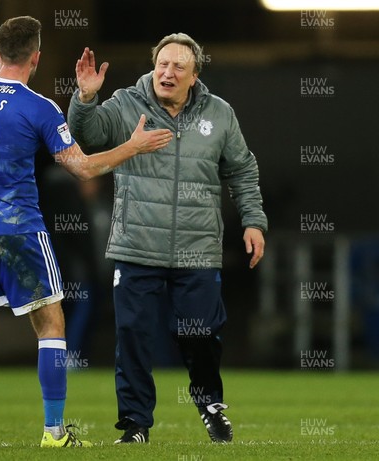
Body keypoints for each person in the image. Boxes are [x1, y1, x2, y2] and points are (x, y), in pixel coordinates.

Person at [0, 16, 173, 449]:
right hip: (19, 233)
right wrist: (134, 146)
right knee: (51, 325)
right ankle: (53, 433)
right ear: (36, 57)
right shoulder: (39, 108)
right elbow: (83, 167)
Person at [68, 33, 268, 444]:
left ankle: (210, 405)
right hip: (137, 246)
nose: (168, 72)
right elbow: (86, 136)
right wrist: (85, 99)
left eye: (179, 66)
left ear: (195, 76)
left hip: (197, 251)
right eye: (162, 64)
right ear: (152, 67)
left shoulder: (220, 114)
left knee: (201, 335)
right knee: (134, 338)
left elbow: (243, 171)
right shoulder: (125, 104)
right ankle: (136, 424)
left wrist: (253, 220)